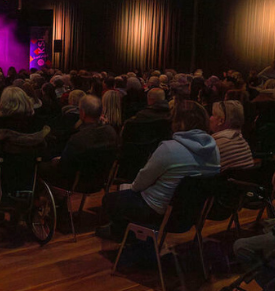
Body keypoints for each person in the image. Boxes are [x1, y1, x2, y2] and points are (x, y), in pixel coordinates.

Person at [97, 100, 221, 240]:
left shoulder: (169, 148)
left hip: (158, 212)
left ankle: (126, 235)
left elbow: (139, 184)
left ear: (178, 121)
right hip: (190, 216)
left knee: (110, 199)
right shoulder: (214, 149)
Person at [210, 100, 254, 171]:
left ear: (221, 121)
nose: (210, 118)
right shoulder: (241, 140)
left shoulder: (215, 145)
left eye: (212, 115)